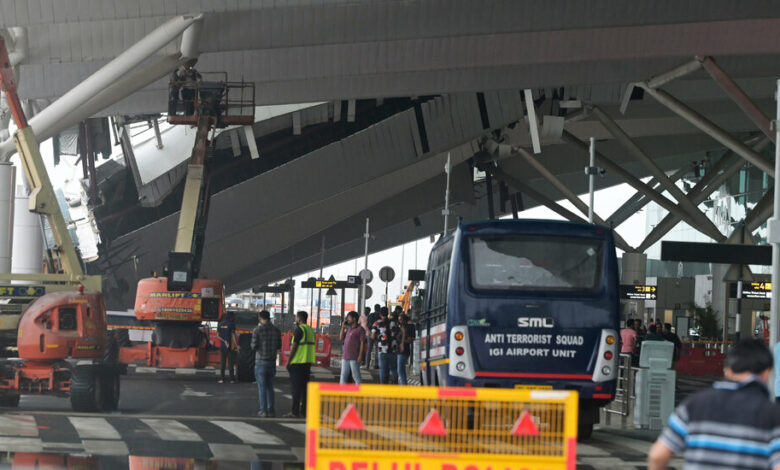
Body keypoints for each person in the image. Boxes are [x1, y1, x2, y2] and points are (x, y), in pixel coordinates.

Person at [648, 338, 780, 470]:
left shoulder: (694, 405)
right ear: (766, 372)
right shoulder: (772, 414)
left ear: (727, 370)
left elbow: (657, 456)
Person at [251, 310, 281, 418]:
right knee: (270, 387)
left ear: (260, 318)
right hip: (272, 362)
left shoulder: (257, 330)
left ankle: (263, 411)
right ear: (269, 317)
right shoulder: (276, 330)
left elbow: (253, 346)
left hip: (261, 362)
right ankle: (271, 410)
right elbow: (279, 346)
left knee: (262, 387)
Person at [286, 311, 315, 418]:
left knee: (296, 389)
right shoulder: (310, 330)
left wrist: (289, 361)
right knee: (305, 389)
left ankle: (294, 412)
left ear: (299, 319)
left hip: (298, 362)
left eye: (296, 317)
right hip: (307, 363)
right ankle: (304, 412)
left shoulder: (299, 329)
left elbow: (294, 347)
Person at [371, 307, 399, 384]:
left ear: (380, 314)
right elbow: (397, 334)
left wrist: (379, 337)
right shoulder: (394, 322)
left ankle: (384, 388)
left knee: (383, 370)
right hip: (393, 350)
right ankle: (395, 386)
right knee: (394, 370)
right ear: (388, 313)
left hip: (382, 350)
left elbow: (373, 336)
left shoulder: (377, 323)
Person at [339, 311, 366, 384]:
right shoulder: (348, 328)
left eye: (349, 318)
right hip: (345, 356)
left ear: (354, 319)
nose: (347, 320)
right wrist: (342, 327)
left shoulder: (360, 329)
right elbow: (341, 338)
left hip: (354, 357)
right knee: (343, 376)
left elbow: (362, 343)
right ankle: (341, 393)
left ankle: (360, 392)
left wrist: (360, 355)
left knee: (356, 376)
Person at [217, 311, 237, 384]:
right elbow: (233, 336)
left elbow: (218, 336)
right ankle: (232, 379)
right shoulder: (232, 325)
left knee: (222, 363)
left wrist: (224, 341)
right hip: (230, 347)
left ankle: (222, 379)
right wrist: (236, 345)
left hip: (222, 346)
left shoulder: (220, 324)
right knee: (230, 363)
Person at [397, 314, 415, 385]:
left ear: (405, 320)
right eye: (399, 320)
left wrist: (402, 340)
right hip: (398, 351)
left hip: (404, 350)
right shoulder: (399, 327)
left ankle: (404, 385)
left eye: (401, 320)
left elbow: (411, 340)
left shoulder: (409, 327)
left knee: (400, 370)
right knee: (401, 370)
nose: (400, 321)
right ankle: (404, 384)